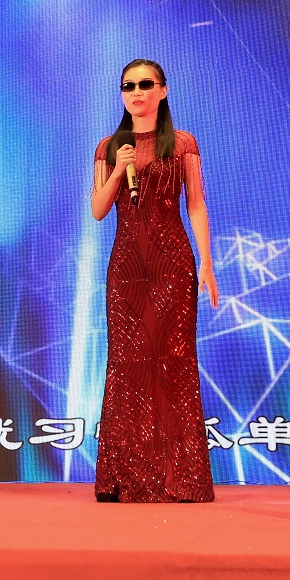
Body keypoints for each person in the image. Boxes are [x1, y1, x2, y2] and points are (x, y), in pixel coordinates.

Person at [91, 59, 219, 503]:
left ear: (163, 91)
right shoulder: (109, 146)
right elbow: (98, 209)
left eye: (146, 84)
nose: (137, 93)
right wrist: (117, 168)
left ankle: (178, 478)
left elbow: (196, 203)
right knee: (127, 364)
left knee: (173, 363)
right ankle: (125, 477)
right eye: (128, 86)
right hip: (127, 269)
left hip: (171, 264)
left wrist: (206, 261)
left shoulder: (182, 143)